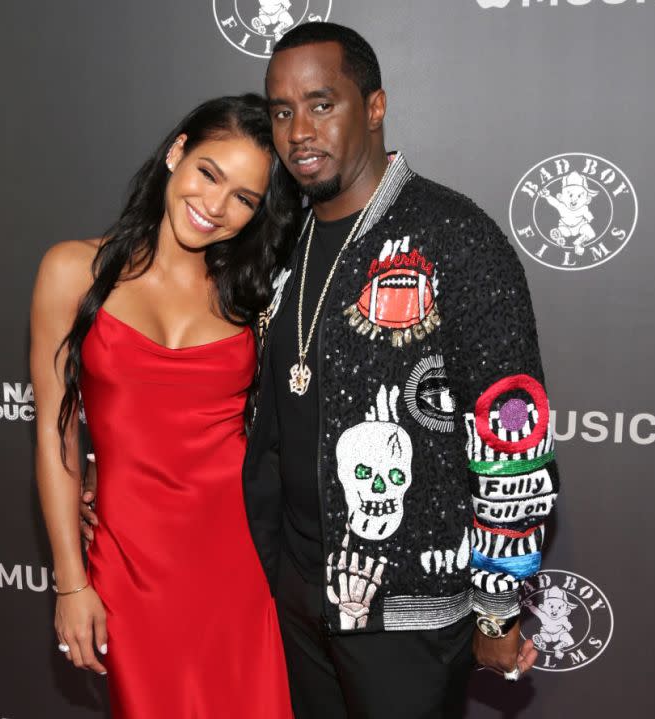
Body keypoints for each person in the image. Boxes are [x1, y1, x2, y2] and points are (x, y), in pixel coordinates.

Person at [82, 23, 558, 719]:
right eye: (282, 110)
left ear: (374, 107)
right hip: (292, 594)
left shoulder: (456, 236)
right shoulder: (277, 243)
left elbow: (513, 434)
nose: (299, 129)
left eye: (322, 104)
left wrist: (495, 612)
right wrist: (115, 467)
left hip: (405, 611)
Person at [31, 94, 300, 719]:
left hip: (244, 562)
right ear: (177, 152)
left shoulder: (257, 296)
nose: (215, 206)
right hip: (129, 565)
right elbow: (54, 431)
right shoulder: (73, 270)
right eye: (210, 172)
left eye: (244, 198)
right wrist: (71, 581)